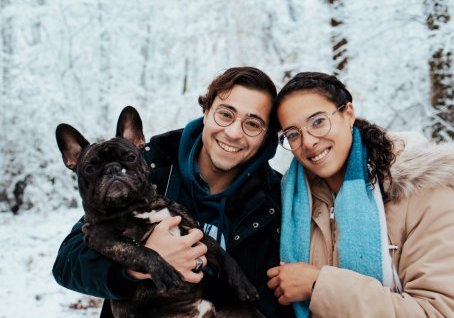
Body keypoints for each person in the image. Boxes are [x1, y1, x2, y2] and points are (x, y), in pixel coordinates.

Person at [52, 67, 294, 317]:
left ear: (267, 134)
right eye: (225, 114)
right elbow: (67, 263)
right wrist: (135, 267)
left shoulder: (278, 197)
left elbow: (275, 298)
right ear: (206, 111)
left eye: (253, 124)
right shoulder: (147, 165)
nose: (233, 132)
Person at [266, 72, 454, 317]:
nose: (309, 141)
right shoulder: (293, 204)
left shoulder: (421, 192)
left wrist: (318, 286)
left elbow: (446, 312)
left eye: (318, 121)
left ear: (348, 114)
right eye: (292, 134)